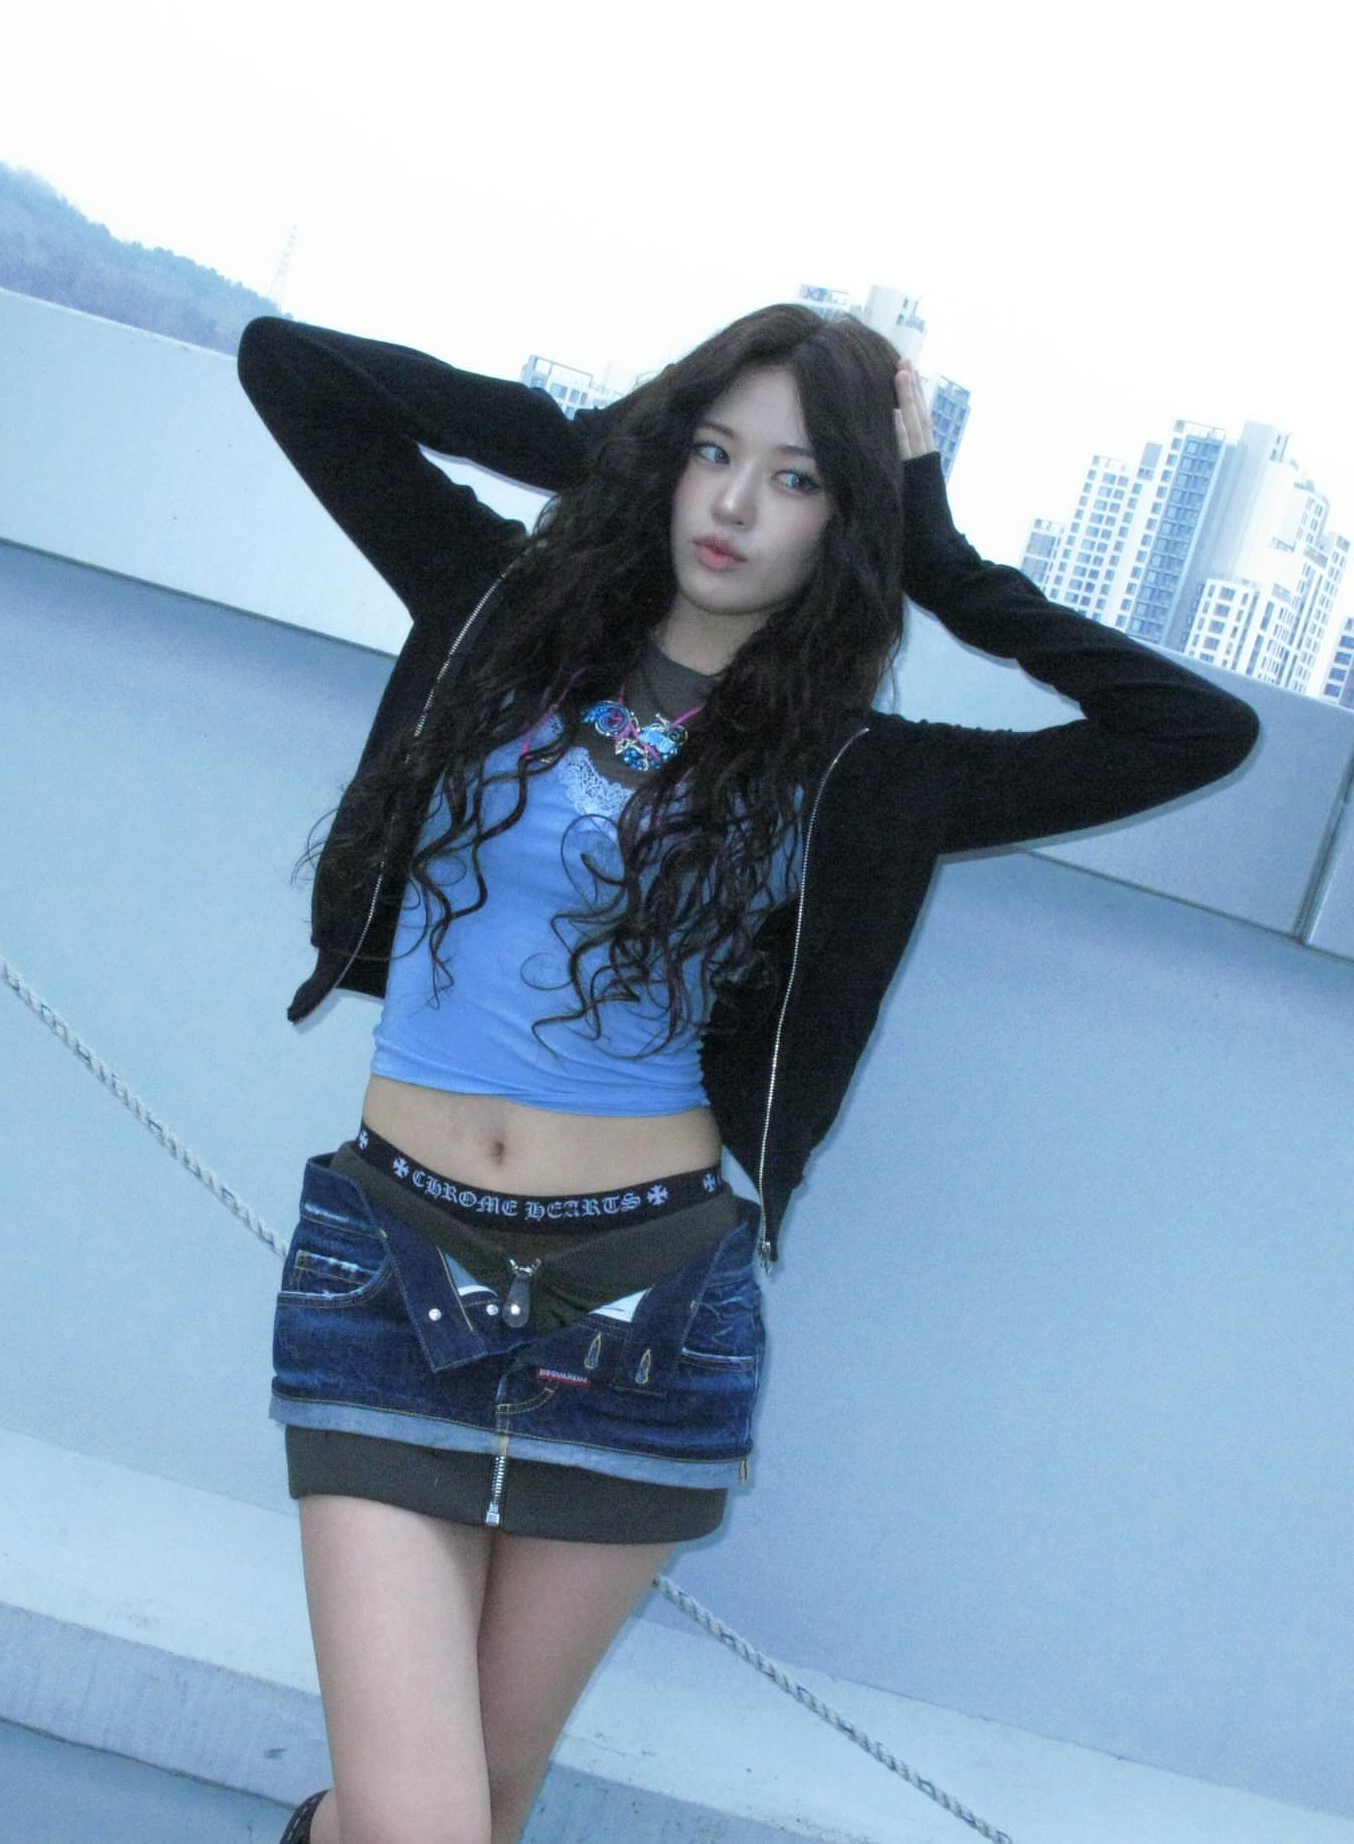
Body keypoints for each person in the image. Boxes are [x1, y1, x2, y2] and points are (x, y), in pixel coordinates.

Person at [235, 302, 1260, 1844]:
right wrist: (616, 446)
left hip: (645, 1304)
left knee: (479, 1807)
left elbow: (1193, 730)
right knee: (422, 1820)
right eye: (714, 454)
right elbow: (293, 372)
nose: (733, 504)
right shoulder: (496, 613)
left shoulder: (860, 774)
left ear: (849, 521)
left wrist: (943, 555)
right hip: (395, 1261)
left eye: (796, 478)